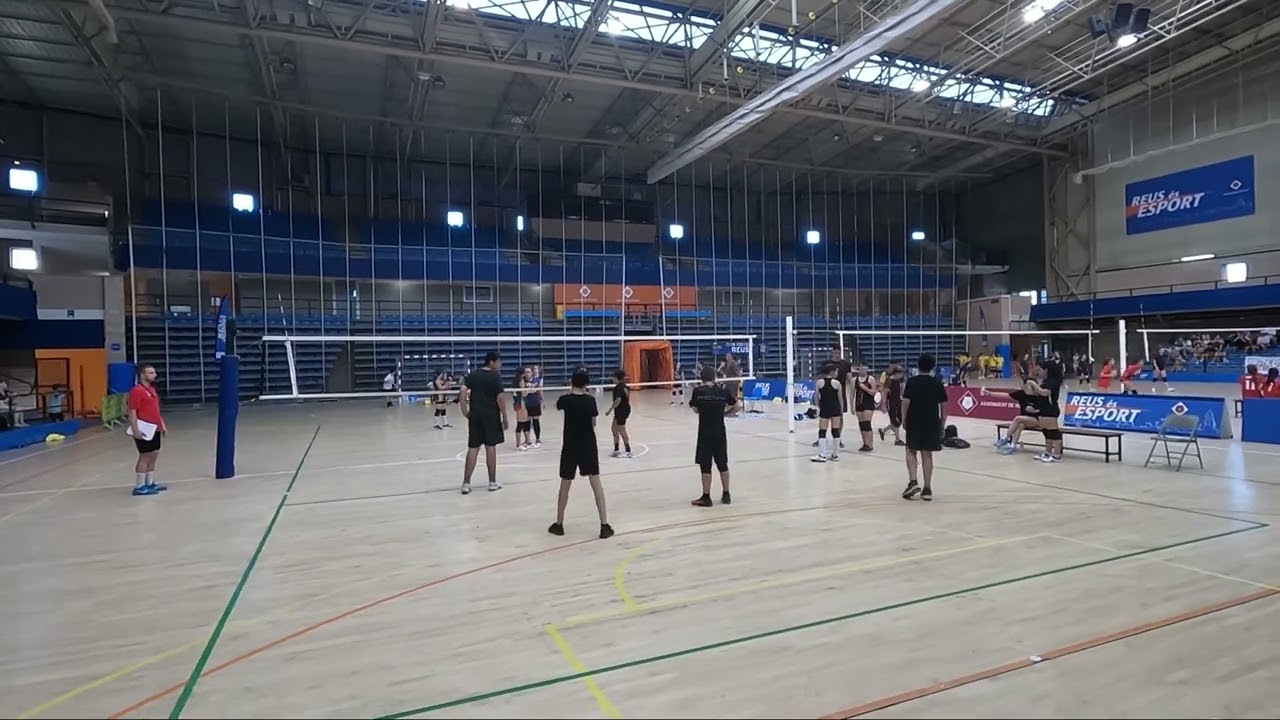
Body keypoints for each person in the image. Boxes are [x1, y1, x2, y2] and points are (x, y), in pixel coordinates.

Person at [549, 368, 613, 539]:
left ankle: (559, 523)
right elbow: (593, 423)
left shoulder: (565, 400)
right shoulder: (590, 401)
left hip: (570, 446)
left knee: (565, 485)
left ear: (571, 382)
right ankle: (604, 525)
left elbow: (557, 406)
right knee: (596, 485)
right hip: (588, 446)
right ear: (586, 384)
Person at [459, 351, 508, 495]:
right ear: (491, 362)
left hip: (475, 415)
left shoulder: (473, 374)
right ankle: (492, 482)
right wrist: (504, 416)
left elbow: (462, 391)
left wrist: (464, 410)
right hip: (491, 416)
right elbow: (500, 398)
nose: (500, 365)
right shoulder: (495, 376)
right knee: (490, 447)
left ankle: (466, 483)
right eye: (498, 362)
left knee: (473, 448)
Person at [901, 354, 947, 501]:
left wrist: (904, 419)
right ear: (932, 367)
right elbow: (944, 405)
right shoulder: (937, 383)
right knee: (927, 454)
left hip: (914, 420)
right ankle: (927, 488)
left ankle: (913, 481)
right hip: (932, 421)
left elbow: (905, 402)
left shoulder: (912, 381)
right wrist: (942, 424)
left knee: (910, 450)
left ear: (918, 365)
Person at [690, 366, 736, 507]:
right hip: (720, 432)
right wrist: (724, 414)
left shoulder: (698, 392)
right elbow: (737, 406)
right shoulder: (723, 391)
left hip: (705, 433)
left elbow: (695, 409)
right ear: (714, 377)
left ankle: (706, 497)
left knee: (705, 465)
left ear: (701, 378)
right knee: (722, 463)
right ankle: (726, 494)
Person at [127, 365, 168, 497]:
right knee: (145, 456)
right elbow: (132, 412)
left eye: (154, 372)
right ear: (142, 375)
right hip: (144, 429)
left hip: (154, 428)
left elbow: (155, 410)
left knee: (154, 454)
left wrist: (162, 424)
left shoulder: (151, 390)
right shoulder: (137, 391)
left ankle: (149, 482)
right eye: (150, 373)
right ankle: (139, 486)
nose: (154, 375)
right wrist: (135, 430)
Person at [811, 364, 843, 463]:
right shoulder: (837, 383)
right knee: (835, 430)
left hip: (825, 408)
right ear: (832, 372)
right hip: (835, 408)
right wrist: (841, 411)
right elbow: (840, 399)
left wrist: (818, 406)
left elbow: (816, 397)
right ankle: (835, 454)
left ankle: (822, 454)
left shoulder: (819, 383)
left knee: (822, 431)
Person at [606, 369, 633, 458]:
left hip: (622, 411)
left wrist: (609, 410)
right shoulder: (625, 386)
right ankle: (616, 449)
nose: (612, 379)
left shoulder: (618, 388)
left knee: (622, 430)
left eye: (613, 377)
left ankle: (628, 451)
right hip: (622, 411)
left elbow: (618, 400)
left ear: (617, 378)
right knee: (614, 429)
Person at [878, 364, 906, 447]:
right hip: (891, 402)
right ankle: (897, 439)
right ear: (897, 373)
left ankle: (883, 430)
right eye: (900, 374)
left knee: (900, 419)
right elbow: (885, 392)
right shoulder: (889, 381)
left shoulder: (899, 380)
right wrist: (883, 404)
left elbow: (901, 390)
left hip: (898, 401)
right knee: (895, 420)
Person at [852, 365, 878, 452]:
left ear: (867, 370)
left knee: (867, 423)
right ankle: (865, 443)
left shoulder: (871, 379)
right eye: (861, 369)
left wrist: (865, 388)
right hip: (859, 403)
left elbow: (873, 393)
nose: (862, 371)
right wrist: (852, 405)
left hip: (868, 403)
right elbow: (852, 393)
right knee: (862, 424)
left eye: (864, 369)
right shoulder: (854, 380)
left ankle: (870, 444)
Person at [513, 367, 533, 450]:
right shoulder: (520, 381)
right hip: (520, 403)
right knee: (520, 423)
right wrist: (528, 389)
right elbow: (524, 394)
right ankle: (518, 444)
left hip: (519, 403)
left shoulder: (515, 380)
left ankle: (528, 441)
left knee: (525, 422)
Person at [527, 365, 544, 448]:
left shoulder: (540, 379)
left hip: (535, 402)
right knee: (527, 422)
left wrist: (542, 400)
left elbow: (540, 390)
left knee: (536, 421)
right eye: (534, 369)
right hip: (527, 402)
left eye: (537, 369)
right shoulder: (528, 379)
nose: (536, 370)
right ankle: (528, 439)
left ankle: (537, 438)